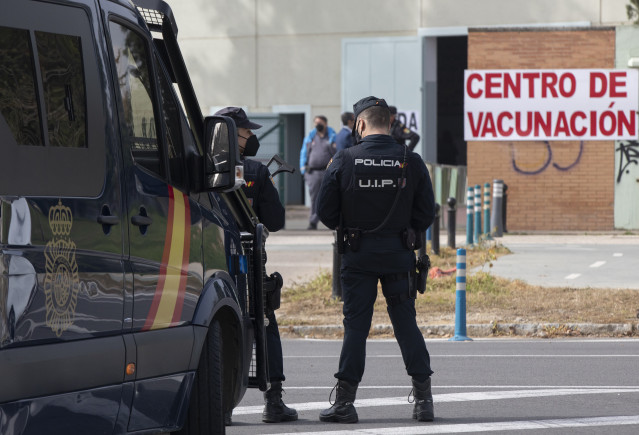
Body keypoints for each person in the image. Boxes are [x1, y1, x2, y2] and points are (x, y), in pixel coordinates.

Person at [316, 97, 435, 424]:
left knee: (356, 326)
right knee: (405, 323)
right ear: (389, 122)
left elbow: (326, 212)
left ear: (361, 124)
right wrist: (407, 231)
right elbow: (427, 211)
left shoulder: (344, 159)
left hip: (357, 256)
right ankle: (424, 401)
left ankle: (345, 403)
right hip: (398, 254)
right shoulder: (411, 160)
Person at [215, 107, 298, 424]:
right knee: (266, 327)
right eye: (246, 131)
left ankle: (221, 406)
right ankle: (273, 401)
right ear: (231, 134)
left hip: (210, 262)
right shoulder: (256, 172)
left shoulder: (200, 168)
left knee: (217, 327)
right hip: (248, 264)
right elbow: (275, 221)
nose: (252, 136)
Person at [299, 115, 336, 230]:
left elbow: (337, 153)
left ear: (325, 123)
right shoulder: (311, 137)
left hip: (328, 172)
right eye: (316, 123)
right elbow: (304, 153)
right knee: (314, 198)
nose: (317, 125)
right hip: (313, 173)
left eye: (320, 123)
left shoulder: (332, 137)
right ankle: (313, 222)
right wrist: (303, 169)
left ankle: (332, 222)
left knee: (331, 197)